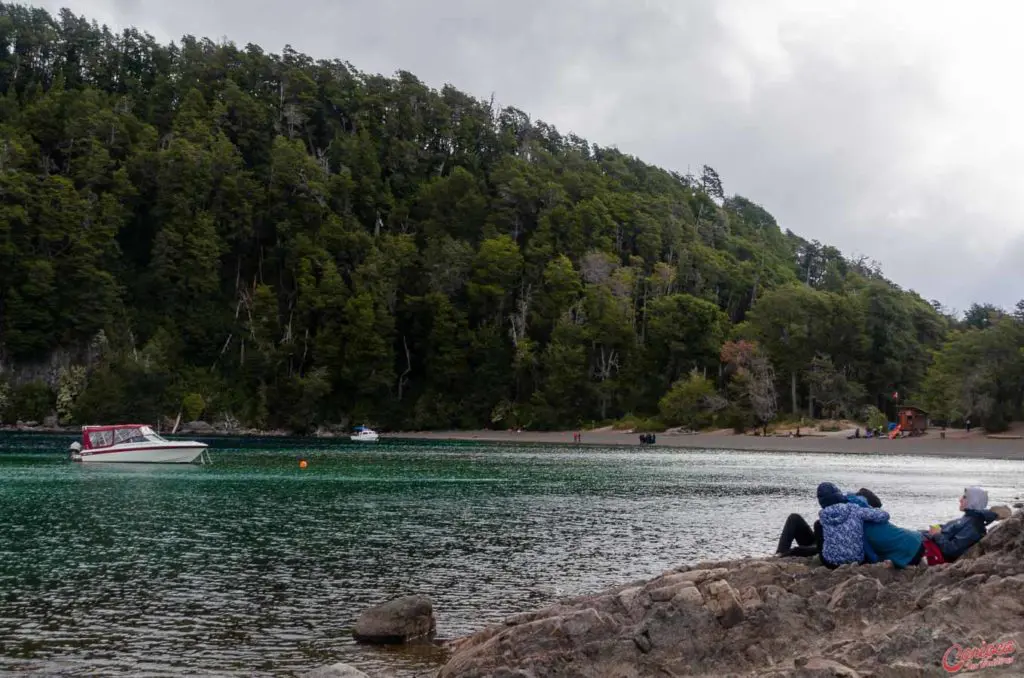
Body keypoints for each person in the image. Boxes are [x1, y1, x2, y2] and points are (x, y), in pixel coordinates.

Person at [817, 482, 890, 568]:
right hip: (856, 560)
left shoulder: (822, 515)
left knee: (818, 525)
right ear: (838, 495)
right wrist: (870, 508)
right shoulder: (854, 508)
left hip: (830, 563)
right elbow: (884, 515)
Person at [922, 487, 999, 564]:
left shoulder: (973, 526)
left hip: (930, 549)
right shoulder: (967, 518)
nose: (960, 499)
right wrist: (938, 529)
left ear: (974, 501)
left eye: (965, 497)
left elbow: (952, 550)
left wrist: (937, 534)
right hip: (926, 542)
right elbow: (948, 529)